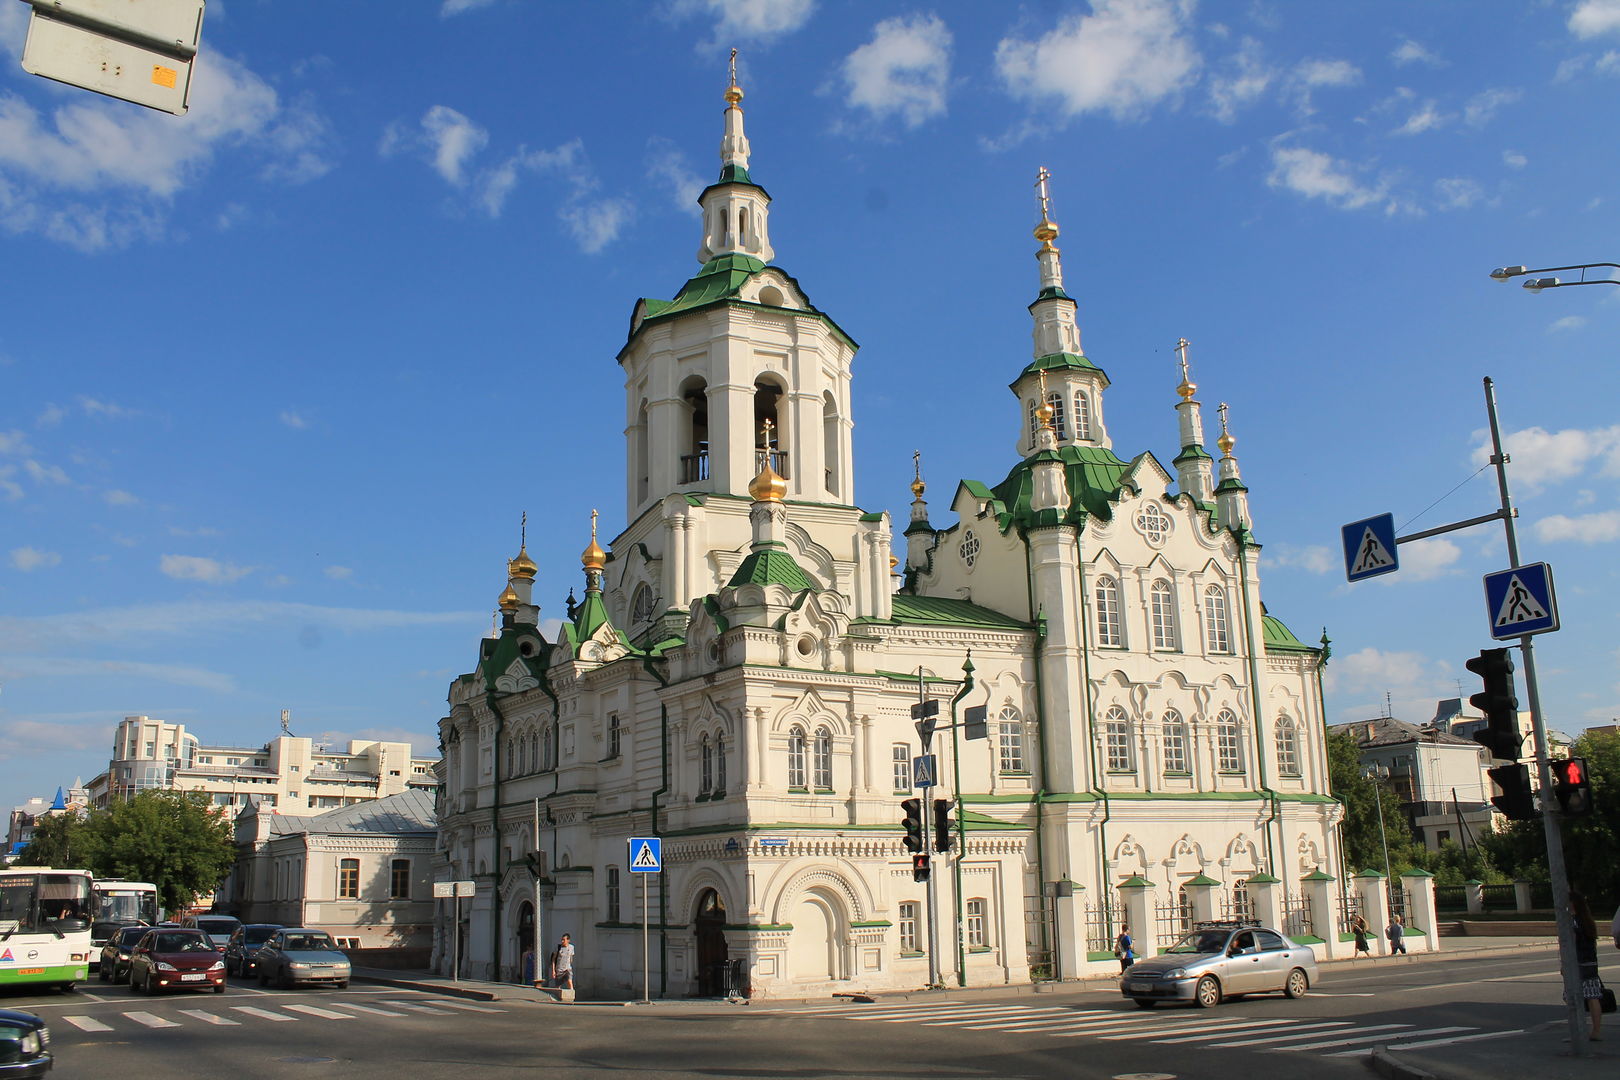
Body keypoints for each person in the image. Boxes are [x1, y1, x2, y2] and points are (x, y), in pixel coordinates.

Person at [1571, 891, 1603, 1042]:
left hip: (1578, 963)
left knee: (1572, 997)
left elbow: (1571, 944)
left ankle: (1578, 1031)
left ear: (1572, 904)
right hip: (1591, 962)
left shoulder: (1573, 922)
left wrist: (1566, 964)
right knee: (1593, 997)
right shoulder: (1588, 921)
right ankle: (1596, 1031)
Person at [551, 932, 575, 996]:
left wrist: (569, 964)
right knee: (558, 985)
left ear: (568, 940)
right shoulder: (558, 948)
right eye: (562, 939)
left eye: (564, 940)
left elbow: (571, 957)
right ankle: (557, 996)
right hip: (559, 969)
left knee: (570, 981)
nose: (562, 941)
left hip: (567, 969)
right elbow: (553, 959)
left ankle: (572, 996)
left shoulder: (571, 947)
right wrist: (553, 971)